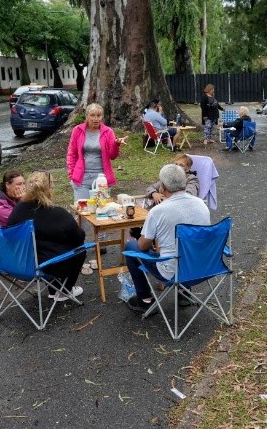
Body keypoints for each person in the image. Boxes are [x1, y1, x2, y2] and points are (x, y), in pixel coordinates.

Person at [124, 164, 211, 313]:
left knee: (131, 247)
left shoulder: (158, 211)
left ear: (162, 187)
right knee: (184, 247)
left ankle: (145, 299)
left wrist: (140, 238)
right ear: (184, 183)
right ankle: (184, 293)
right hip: (203, 267)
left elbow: (143, 246)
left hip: (171, 272)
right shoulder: (201, 205)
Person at [7, 171, 87, 302]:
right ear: (49, 189)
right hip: (46, 265)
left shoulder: (17, 210)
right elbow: (79, 237)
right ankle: (64, 291)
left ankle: (52, 289)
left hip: (18, 263)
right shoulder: (58, 214)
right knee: (80, 250)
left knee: (42, 246)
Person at [67, 102, 128, 201]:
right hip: (82, 177)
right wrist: (71, 175)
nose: (96, 119)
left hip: (102, 178)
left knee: (101, 210)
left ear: (102, 117)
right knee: (82, 211)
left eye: (98, 116)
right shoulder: (77, 130)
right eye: (92, 115)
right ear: (87, 116)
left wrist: (116, 144)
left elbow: (112, 156)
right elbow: (72, 154)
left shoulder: (108, 132)